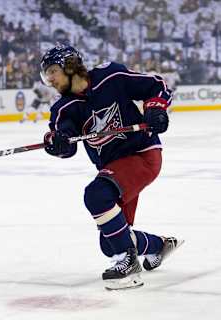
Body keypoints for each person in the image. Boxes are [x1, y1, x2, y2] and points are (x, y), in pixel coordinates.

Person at [40, 45, 183, 290]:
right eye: (47, 74)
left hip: (142, 155)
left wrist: (156, 109)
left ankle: (128, 265)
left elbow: (156, 85)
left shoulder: (111, 77)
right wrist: (57, 142)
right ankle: (160, 245)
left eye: (53, 71)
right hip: (115, 170)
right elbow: (66, 144)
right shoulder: (63, 108)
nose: (50, 79)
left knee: (97, 196)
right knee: (111, 242)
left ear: (71, 66)